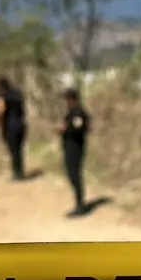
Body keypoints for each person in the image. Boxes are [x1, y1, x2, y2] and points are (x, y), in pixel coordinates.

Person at [58, 87, 91, 217]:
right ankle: (78, 203)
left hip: (75, 147)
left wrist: (65, 130)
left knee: (75, 174)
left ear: (71, 99)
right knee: (71, 174)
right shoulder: (71, 112)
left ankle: (80, 205)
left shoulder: (78, 113)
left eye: (67, 99)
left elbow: (78, 129)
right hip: (70, 146)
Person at [0, 77, 27, 180]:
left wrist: (0, 125)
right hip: (20, 123)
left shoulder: (2, 96)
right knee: (19, 150)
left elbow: (1, 111)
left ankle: (16, 173)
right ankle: (20, 171)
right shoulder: (18, 94)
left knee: (13, 150)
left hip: (9, 125)